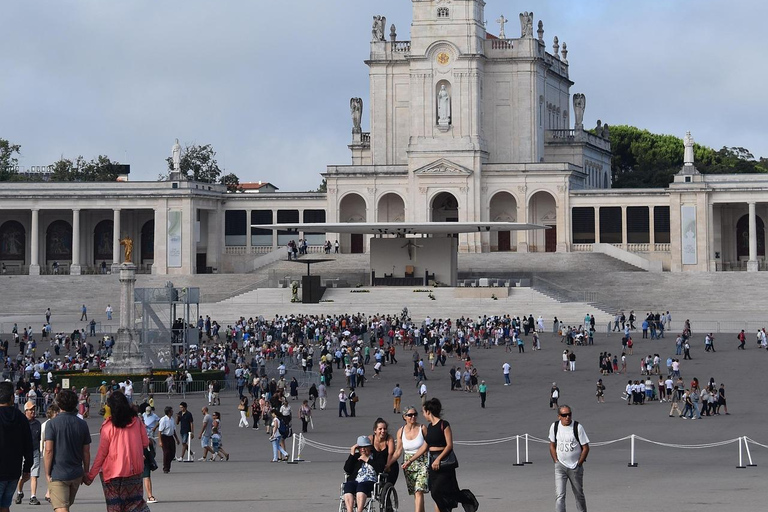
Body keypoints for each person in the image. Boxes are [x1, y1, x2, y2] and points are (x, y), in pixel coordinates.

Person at [405, 398, 478, 512]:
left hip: (444, 462)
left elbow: (449, 445)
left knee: (438, 491)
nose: (423, 415)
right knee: (437, 492)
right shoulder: (430, 426)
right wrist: (410, 461)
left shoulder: (444, 424)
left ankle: (467, 499)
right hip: (432, 462)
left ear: (429, 411)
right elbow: (425, 446)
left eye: (424, 412)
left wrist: (438, 459)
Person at [84, 391, 150, 512]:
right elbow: (145, 443)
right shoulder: (137, 422)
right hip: (134, 470)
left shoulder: (108, 427)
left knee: (115, 506)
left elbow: (102, 454)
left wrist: (90, 476)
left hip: (112, 473)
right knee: (135, 504)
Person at [44, 388, 91, 512]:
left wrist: (47, 473)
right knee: (65, 506)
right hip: (76, 473)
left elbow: (48, 450)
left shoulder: (52, 424)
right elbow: (86, 451)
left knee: (61, 508)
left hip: (58, 473)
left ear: (59, 404)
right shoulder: (82, 424)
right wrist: (86, 471)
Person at [549, 405, 590, 512]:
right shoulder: (555, 426)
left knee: (579, 494)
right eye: (564, 415)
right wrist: (556, 460)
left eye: (569, 414)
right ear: (559, 416)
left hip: (575, 467)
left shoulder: (577, 427)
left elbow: (585, 447)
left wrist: (579, 463)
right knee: (560, 496)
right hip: (560, 466)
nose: (567, 417)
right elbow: (552, 444)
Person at [1, 382, 34, 512]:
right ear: (11, 398)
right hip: (13, 471)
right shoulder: (21, 417)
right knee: (5, 505)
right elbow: (28, 446)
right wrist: (27, 469)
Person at [392, 406, 429, 512]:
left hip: (422, 462)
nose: (413, 417)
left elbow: (428, 445)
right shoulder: (401, 431)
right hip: (408, 465)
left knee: (419, 491)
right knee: (416, 493)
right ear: (404, 417)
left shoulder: (422, 428)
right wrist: (389, 463)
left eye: (415, 414)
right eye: (410, 415)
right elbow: (398, 451)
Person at [342, 436, 386, 512]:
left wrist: (367, 460)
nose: (363, 449)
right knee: (348, 486)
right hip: (356, 480)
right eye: (360, 447)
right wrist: (352, 454)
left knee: (361, 486)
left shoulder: (377, 456)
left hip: (370, 481)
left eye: (365, 447)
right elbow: (347, 469)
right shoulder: (356, 457)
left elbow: (381, 469)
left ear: (370, 447)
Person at [15, 400, 42, 505]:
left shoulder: (37, 424)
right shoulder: (21, 423)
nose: (33, 412)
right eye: (30, 410)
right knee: (23, 476)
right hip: (22, 452)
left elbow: (40, 438)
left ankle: (33, 496)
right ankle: (19, 492)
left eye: (33, 410)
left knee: (34, 475)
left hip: (34, 451)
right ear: (25, 411)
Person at [157, 406, 179, 473]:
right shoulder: (163, 420)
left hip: (170, 437)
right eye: (171, 411)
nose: (172, 412)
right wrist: (160, 441)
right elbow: (160, 431)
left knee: (172, 453)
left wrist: (177, 438)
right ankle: (166, 468)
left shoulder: (172, 419)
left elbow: (173, 430)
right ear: (169, 412)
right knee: (166, 453)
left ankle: (167, 463)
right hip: (164, 437)